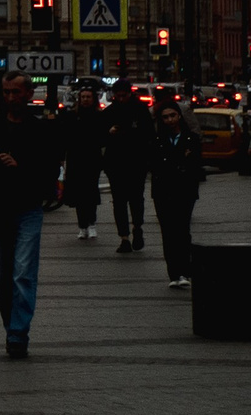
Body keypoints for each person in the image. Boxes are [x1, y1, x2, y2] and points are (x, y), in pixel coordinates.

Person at [0, 72, 61, 358]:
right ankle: (11, 325)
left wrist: (19, 166)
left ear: (28, 94)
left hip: (27, 210)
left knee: (23, 272)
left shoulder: (39, 130)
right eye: (7, 92)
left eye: (16, 92)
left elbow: (49, 174)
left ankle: (18, 334)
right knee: (2, 278)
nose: (11, 98)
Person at [151, 99, 205, 289]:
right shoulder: (157, 140)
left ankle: (184, 270)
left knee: (182, 230)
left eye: (172, 115)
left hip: (184, 191)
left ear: (179, 116)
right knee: (168, 232)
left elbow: (195, 164)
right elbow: (154, 164)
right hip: (163, 192)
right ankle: (174, 272)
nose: (169, 120)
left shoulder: (191, 138)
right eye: (165, 117)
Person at [101, 81, 155, 255]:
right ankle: (124, 237)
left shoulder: (140, 110)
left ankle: (137, 227)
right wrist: (108, 133)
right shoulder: (109, 112)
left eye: (124, 95)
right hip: (116, 163)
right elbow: (99, 136)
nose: (121, 98)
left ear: (129, 94)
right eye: (119, 95)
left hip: (135, 162)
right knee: (119, 201)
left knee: (136, 198)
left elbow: (149, 135)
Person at [57, 83, 109, 242]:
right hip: (75, 158)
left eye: (88, 97)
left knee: (90, 192)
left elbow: (102, 138)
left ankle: (91, 223)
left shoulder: (99, 116)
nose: (85, 99)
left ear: (93, 99)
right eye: (83, 97)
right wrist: (62, 158)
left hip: (91, 158)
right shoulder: (72, 116)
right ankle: (82, 226)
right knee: (79, 194)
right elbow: (64, 137)